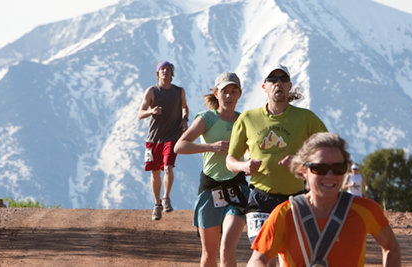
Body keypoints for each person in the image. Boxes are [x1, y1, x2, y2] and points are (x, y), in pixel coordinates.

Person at [248, 132, 401, 267]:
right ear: (304, 171)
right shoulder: (286, 214)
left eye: (338, 169)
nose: (329, 175)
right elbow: (258, 259)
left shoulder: (365, 210)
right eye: (319, 168)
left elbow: (391, 246)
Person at [225, 64, 327, 245]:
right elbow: (230, 160)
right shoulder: (248, 118)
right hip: (260, 198)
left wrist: (301, 162)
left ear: (289, 85)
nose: (278, 83)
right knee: (263, 254)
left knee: (290, 257)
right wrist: (244, 166)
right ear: (264, 86)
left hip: (296, 198)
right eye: (272, 79)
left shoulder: (307, 118)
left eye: (283, 79)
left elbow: (328, 154)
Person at [174, 72, 248, 267]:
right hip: (210, 190)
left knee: (227, 249)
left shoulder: (244, 121)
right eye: (225, 92)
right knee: (209, 254)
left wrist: (249, 162)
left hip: (237, 188)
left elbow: (251, 150)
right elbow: (179, 147)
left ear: (240, 94)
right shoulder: (206, 119)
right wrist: (211, 147)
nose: (229, 96)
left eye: (233, 91)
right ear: (216, 93)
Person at [138, 60, 189, 220]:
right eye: (163, 70)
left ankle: (166, 197)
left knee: (168, 167)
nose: (166, 72)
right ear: (158, 73)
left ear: (172, 73)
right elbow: (140, 113)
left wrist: (185, 118)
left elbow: (184, 107)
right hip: (154, 138)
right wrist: (151, 111)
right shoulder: (152, 91)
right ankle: (157, 203)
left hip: (172, 136)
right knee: (155, 172)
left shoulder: (179, 91)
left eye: (168, 70)